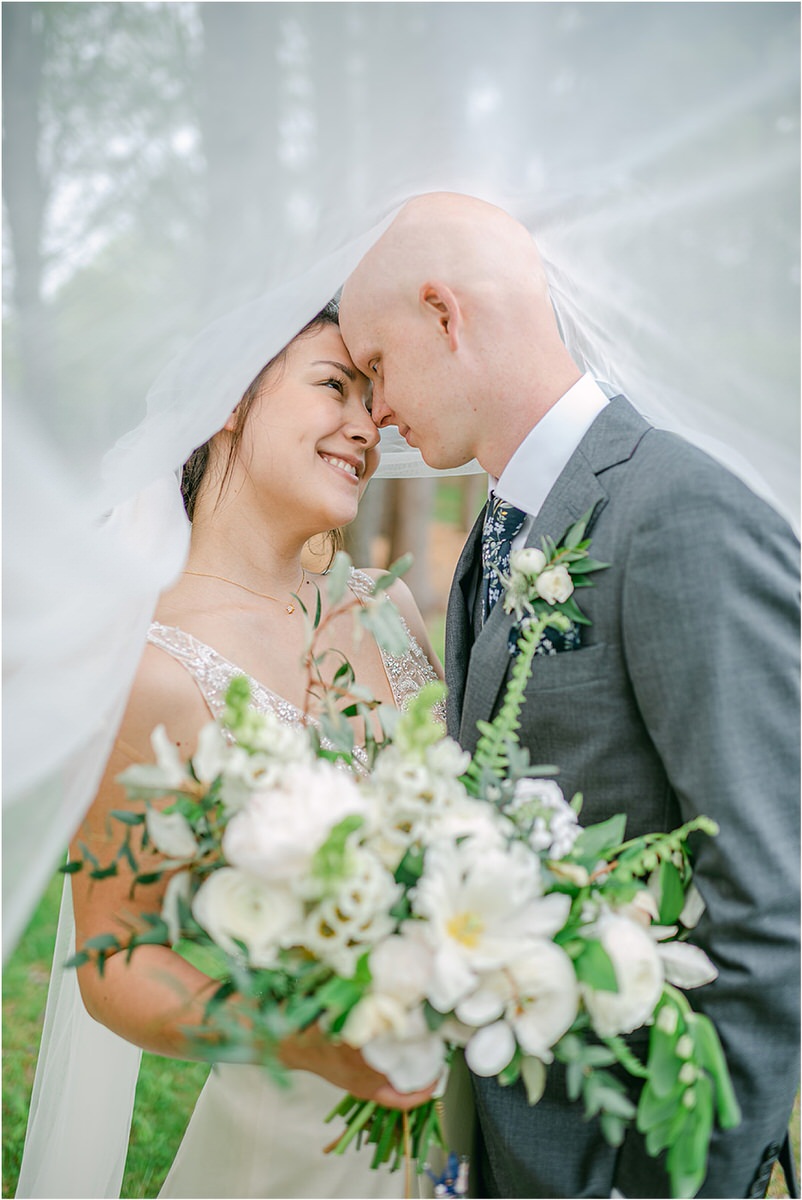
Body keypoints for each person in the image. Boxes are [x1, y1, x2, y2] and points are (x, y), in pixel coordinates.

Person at [339, 192, 800, 1199]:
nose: (373, 411)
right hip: (510, 1144)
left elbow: (772, 902)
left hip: (629, 1155)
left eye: (375, 365)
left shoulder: (679, 512)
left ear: (445, 314)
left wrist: (681, 1184)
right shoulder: (491, 537)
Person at [64, 302, 443, 1199]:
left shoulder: (388, 611)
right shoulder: (153, 670)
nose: (366, 428)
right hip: (291, 1149)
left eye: (373, 401)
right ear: (230, 398)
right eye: (333, 387)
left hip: (463, 1124)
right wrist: (291, 1038)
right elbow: (114, 956)